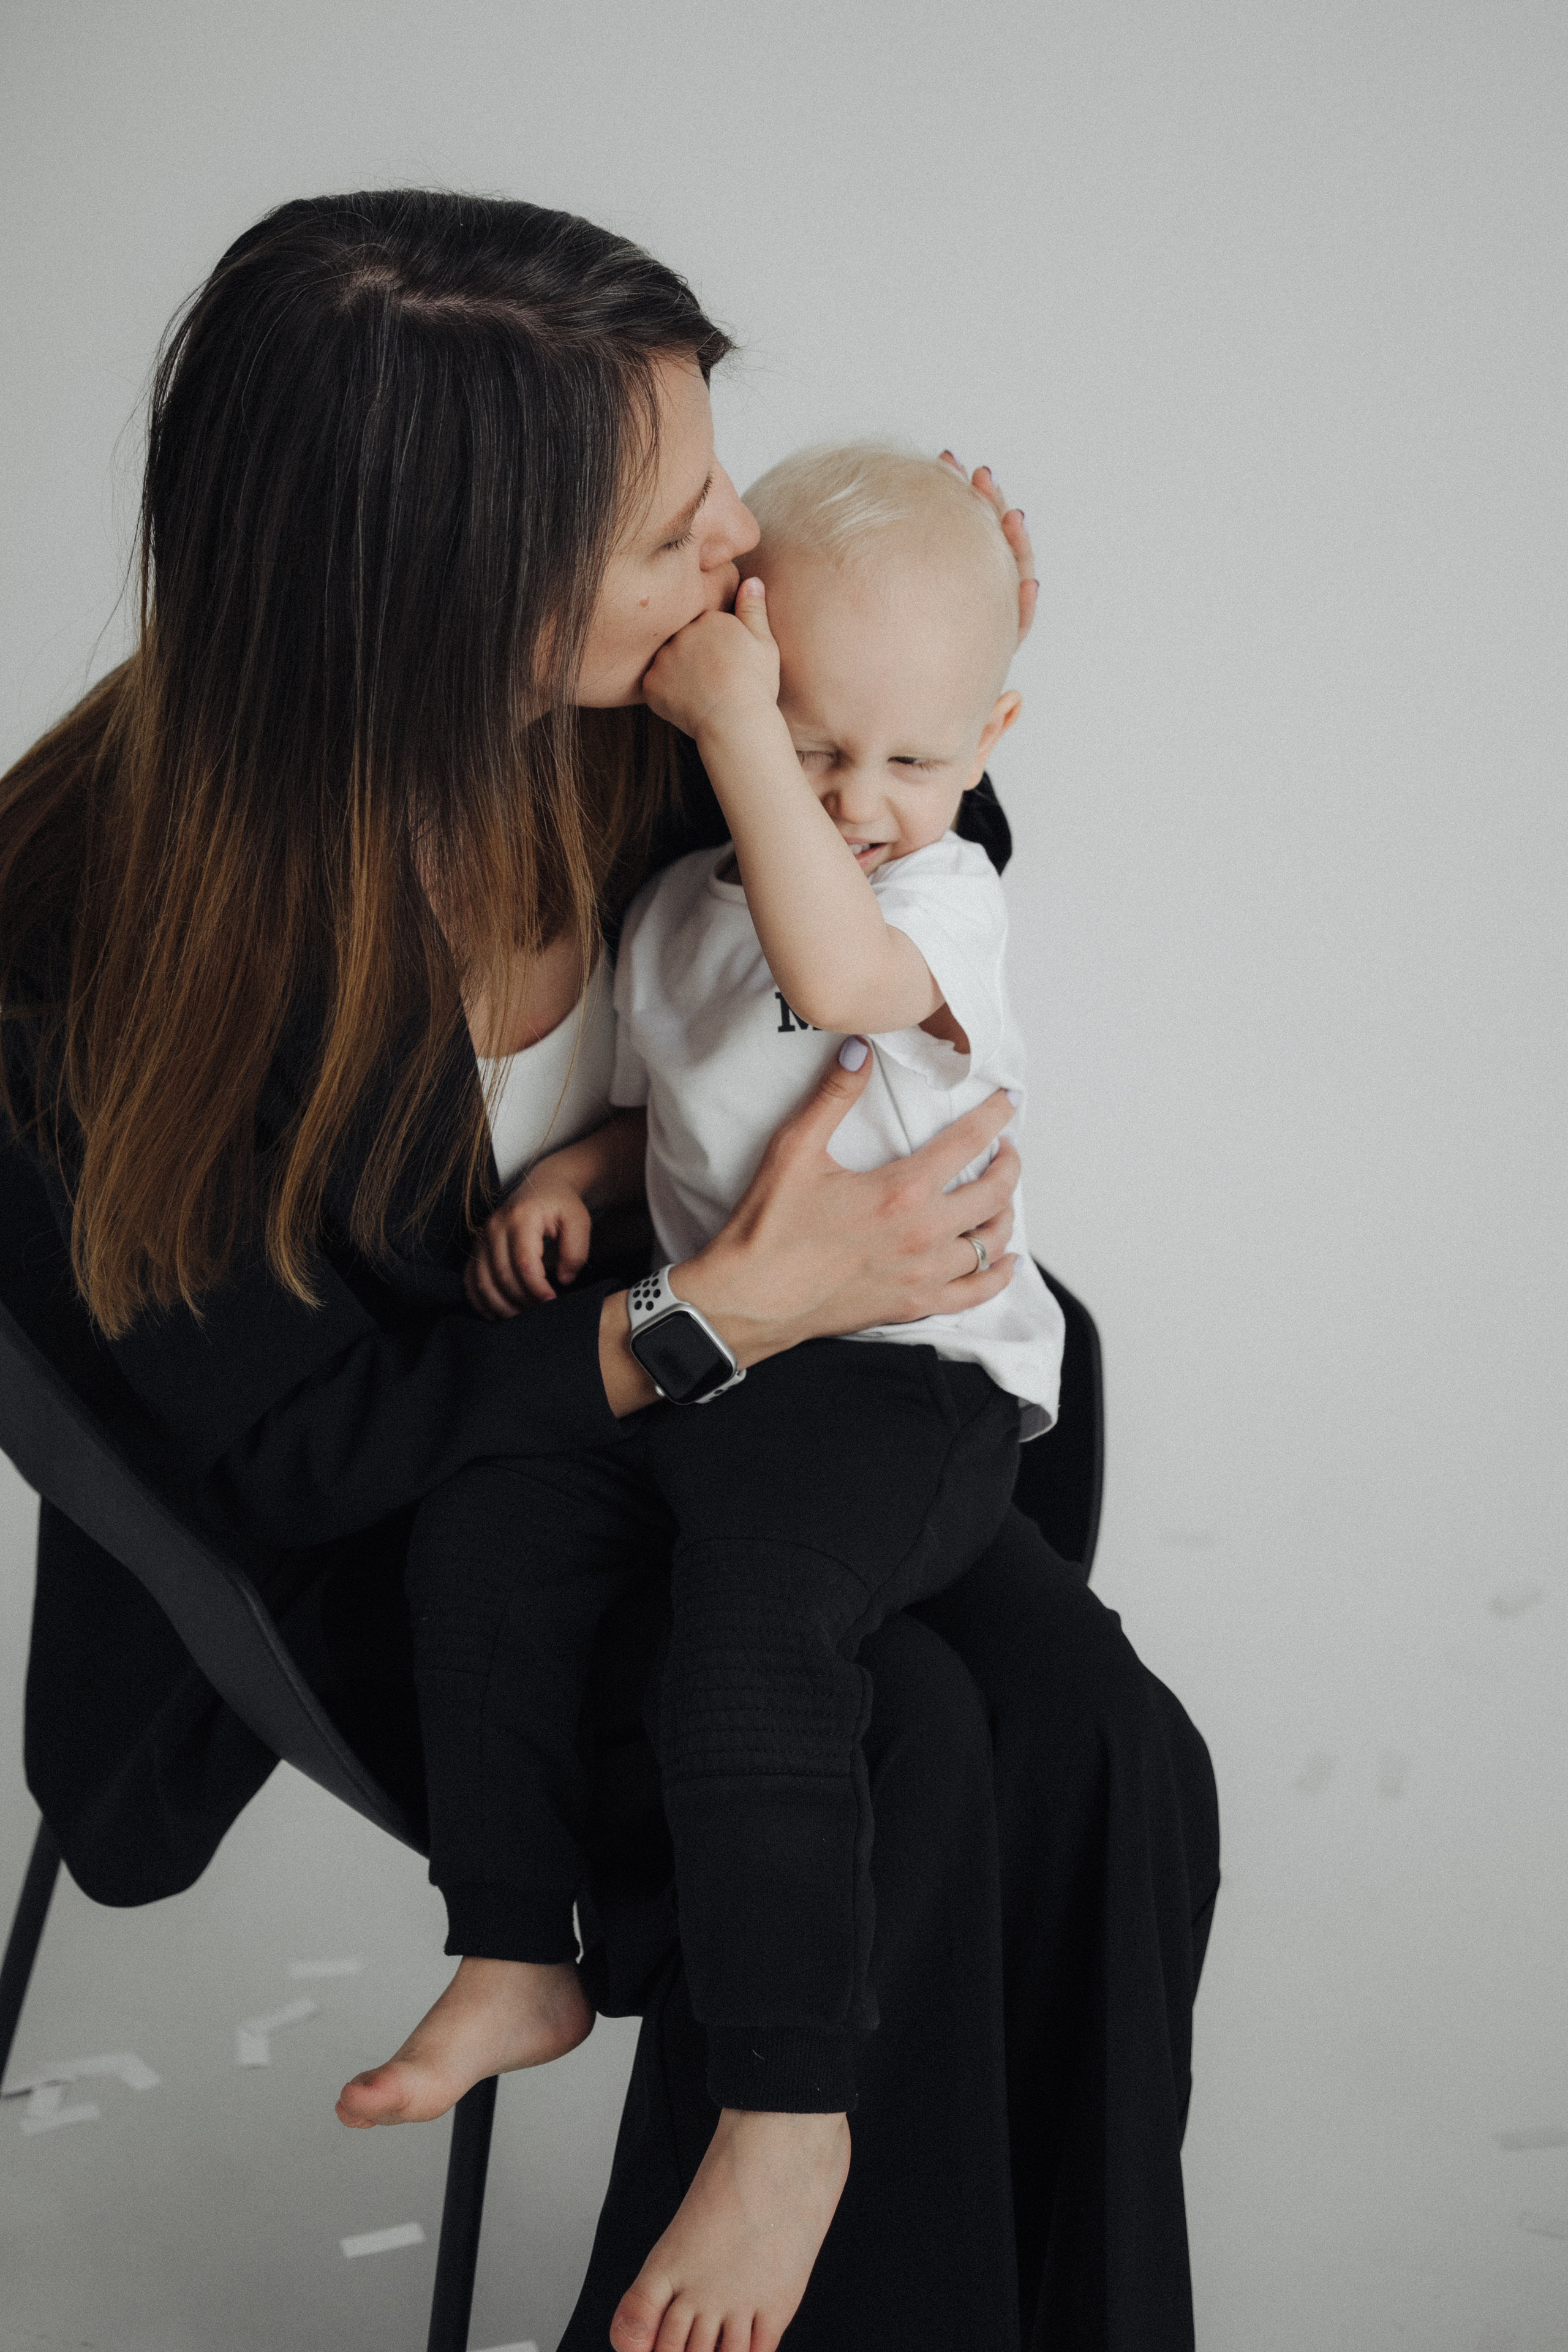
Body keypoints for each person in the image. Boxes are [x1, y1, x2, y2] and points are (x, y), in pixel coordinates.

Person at [0, 190, 1219, 2351]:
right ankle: (786, 2180)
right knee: (907, 1758)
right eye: (677, 525)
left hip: (768, 1428)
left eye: (716, 474)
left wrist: (896, 658)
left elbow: (896, 887)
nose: (735, 543)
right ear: (452, 596)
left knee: (1110, 1748)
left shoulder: (642, 702)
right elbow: (276, 1459)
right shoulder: (86, 942)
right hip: (428, 1526)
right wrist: (716, 1315)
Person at [337, 442, 1068, 2351]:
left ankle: (787, 2110)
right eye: (817, 745)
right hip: (721, 1355)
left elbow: (839, 977)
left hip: (901, 1385)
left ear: (987, 744)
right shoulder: (683, 904)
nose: (863, 801)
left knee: (750, 1627)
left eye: (914, 760)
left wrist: (761, 737)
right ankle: (513, 1943)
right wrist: (578, 1177)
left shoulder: (940, 900)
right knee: (499, 1517)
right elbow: (682, 1089)